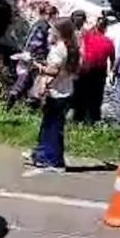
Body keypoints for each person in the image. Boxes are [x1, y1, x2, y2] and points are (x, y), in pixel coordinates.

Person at [26, 18, 80, 170]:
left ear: (60, 32)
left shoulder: (59, 49)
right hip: (65, 91)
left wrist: (35, 65)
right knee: (52, 126)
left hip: (57, 93)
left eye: (52, 29)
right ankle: (43, 155)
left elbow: (54, 70)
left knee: (52, 127)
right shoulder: (71, 47)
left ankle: (52, 159)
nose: (49, 32)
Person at [6, 3, 59, 110]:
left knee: (22, 80)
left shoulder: (36, 24)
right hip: (35, 59)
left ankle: (11, 101)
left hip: (26, 55)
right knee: (35, 84)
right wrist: (42, 60)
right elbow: (42, 45)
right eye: (54, 16)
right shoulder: (45, 27)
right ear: (50, 15)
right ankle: (28, 107)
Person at [73, 17, 115, 124]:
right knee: (95, 99)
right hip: (99, 73)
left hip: (84, 71)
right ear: (106, 28)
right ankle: (92, 120)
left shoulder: (87, 37)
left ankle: (78, 118)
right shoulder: (109, 42)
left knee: (81, 96)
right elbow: (112, 59)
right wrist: (112, 73)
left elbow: (79, 49)